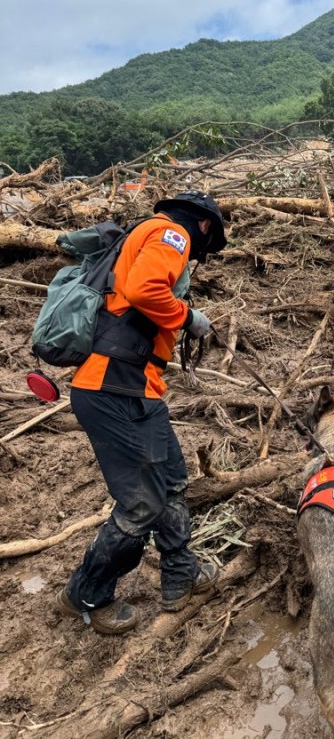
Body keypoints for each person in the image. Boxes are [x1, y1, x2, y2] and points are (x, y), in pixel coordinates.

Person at [55, 190, 227, 634]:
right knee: (140, 502)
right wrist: (189, 317)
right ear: (204, 225)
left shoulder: (144, 233)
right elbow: (144, 288)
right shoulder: (172, 233)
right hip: (115, 387)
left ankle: (179, 577)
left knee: (170, 482)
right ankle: (85, 595)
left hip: (135, 385)